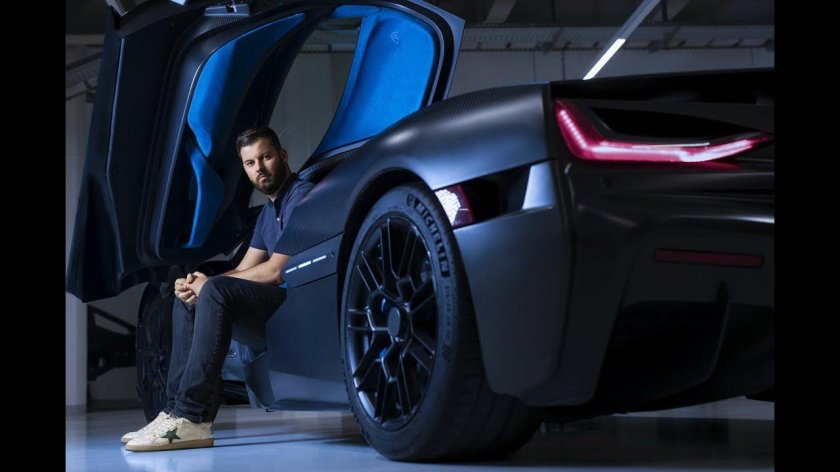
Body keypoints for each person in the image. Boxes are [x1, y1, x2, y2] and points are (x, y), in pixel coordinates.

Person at [122, 126, 313, 452]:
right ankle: (174, 411)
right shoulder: (269, 212)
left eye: (266, 157)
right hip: (274, 310)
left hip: (298, 313)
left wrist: (211, 284)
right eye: (250, 163)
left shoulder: (302, 196)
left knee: (215, 290)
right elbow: (243, 270)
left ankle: (191, 415)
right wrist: (196, 284)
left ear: (282, 156)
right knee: (190, 299)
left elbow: (275, 271)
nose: (259, 168)